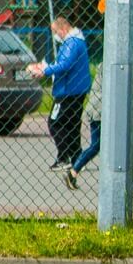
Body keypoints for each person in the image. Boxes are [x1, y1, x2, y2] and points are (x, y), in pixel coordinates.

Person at [25, 15, 91, 171]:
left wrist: (45, 71)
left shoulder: (71, 43)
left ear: (63, 29)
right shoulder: (77, 41)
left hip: (67, 91)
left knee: (55, 122)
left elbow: (65, 65)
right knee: (71, 124)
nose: (55, 35)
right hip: (76, 90)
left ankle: (64, 156)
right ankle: (76, 157)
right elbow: (63, 63)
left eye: (55, 31)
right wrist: (46, 66)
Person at [64, 64, 102, 190]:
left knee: (98, 146)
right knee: (96, 145)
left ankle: (73, 172)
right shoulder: (112, 66)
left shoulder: (104, 65)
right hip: (100, 111)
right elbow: (123, 89)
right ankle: (73, 172)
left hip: (98, 109)